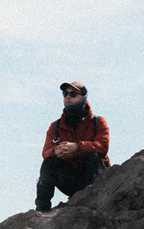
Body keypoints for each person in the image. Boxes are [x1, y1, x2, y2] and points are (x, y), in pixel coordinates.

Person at [37, 82, 112, 210]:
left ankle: (92, 203)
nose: (68, 97)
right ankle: (42, 209)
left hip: (95, 179)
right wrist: (56, 151)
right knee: (49, 162)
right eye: (65, 94)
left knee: (92, 154)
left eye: (73, 94)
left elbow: (103, 146)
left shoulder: (98, 122)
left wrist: (77, 147)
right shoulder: (56, 126)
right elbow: (46, 151)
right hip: (70, 179)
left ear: (83, 97)